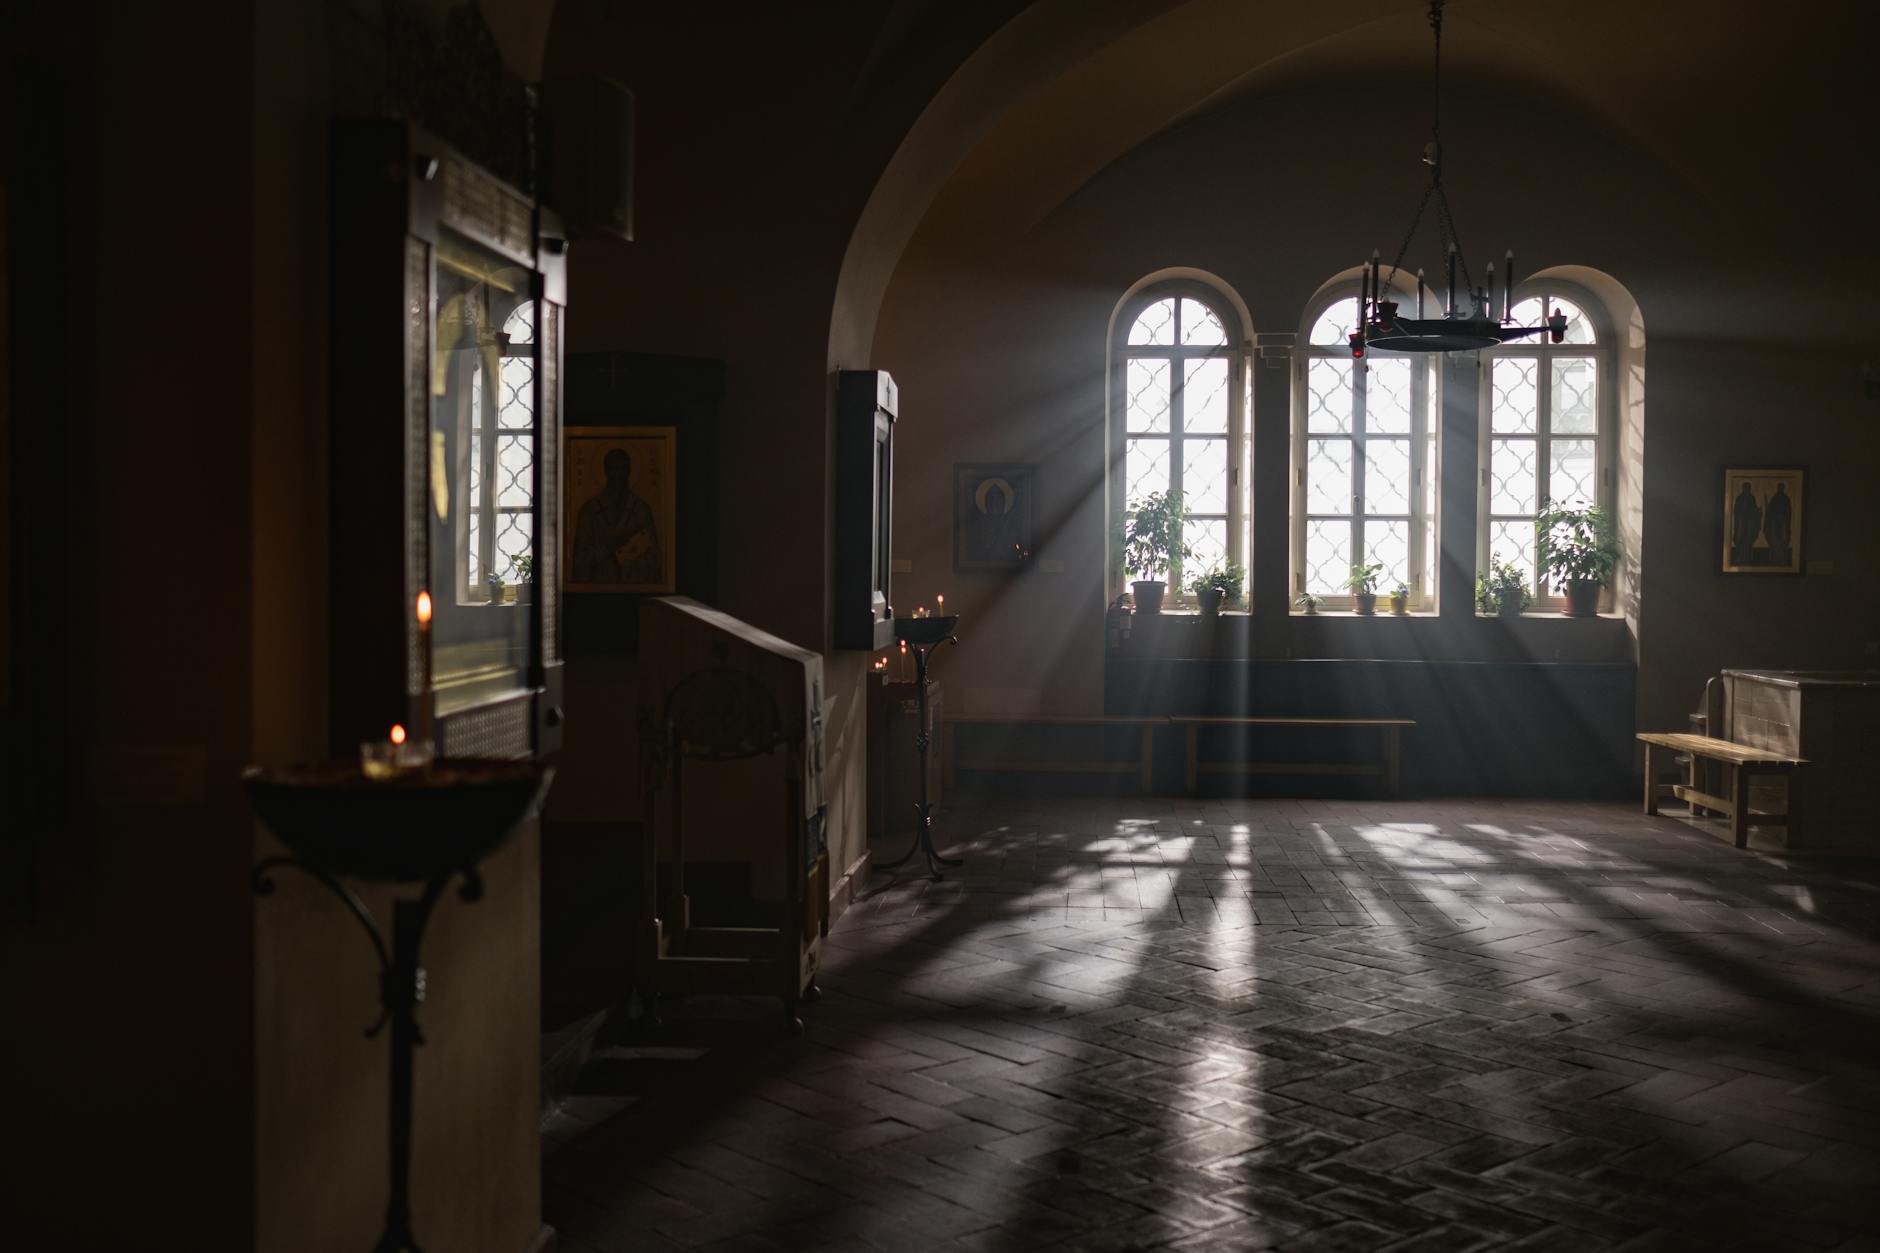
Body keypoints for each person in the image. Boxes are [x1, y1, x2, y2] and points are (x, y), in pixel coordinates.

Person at [572, 448, 664, 583]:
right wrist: (607, 549)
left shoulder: (640, 509)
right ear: (606, 471)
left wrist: (632, 555)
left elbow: (655, 558)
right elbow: (579, 561)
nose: (619, 475)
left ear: (629, 471)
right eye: (614, 469)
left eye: (623, 469)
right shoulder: (590, 511)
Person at [1731, 480, 1762, 567]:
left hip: (1749, 524)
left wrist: (1758, 511)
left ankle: (1747, 559)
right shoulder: (1739, 498)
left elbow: (1754, 509)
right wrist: (1743, 511)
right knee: (1740, 540)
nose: (1748, 489)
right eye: (1746, 488)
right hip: (1741, 523)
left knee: (1748, 541)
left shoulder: (1751, 498)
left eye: (1749, 488)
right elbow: (1736, 510)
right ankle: (1738, 558)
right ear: (1743, 488)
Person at [1762, 481, 1793, 566]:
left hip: (1783, 523)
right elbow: (1770, 510)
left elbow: (1788, 511)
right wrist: (1767, 506)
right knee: (1774, 539)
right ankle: (1775, 559)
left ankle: (1782, 559)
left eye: (1781, 488)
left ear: (1783, 489)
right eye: (1779, 488)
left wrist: (1782, 516)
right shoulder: (1774, 498)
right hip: (1775, 524)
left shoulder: (1786, 499)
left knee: (1783, 540)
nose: (1780, 489)